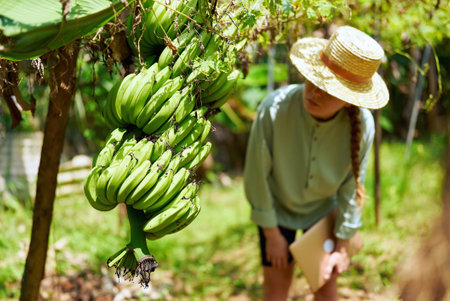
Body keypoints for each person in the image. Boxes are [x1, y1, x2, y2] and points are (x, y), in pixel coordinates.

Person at [243, 26, 389, 301]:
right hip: (277, 212)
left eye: (328, 89)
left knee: (326, 291)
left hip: (322, 213)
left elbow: (352, 184)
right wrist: (272, 234)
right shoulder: (274, 109)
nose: (315, 93)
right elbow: (256, 176)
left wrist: (343, 242)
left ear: (349, 100)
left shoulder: (363, 126)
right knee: (275, 290)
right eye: (315, 80)